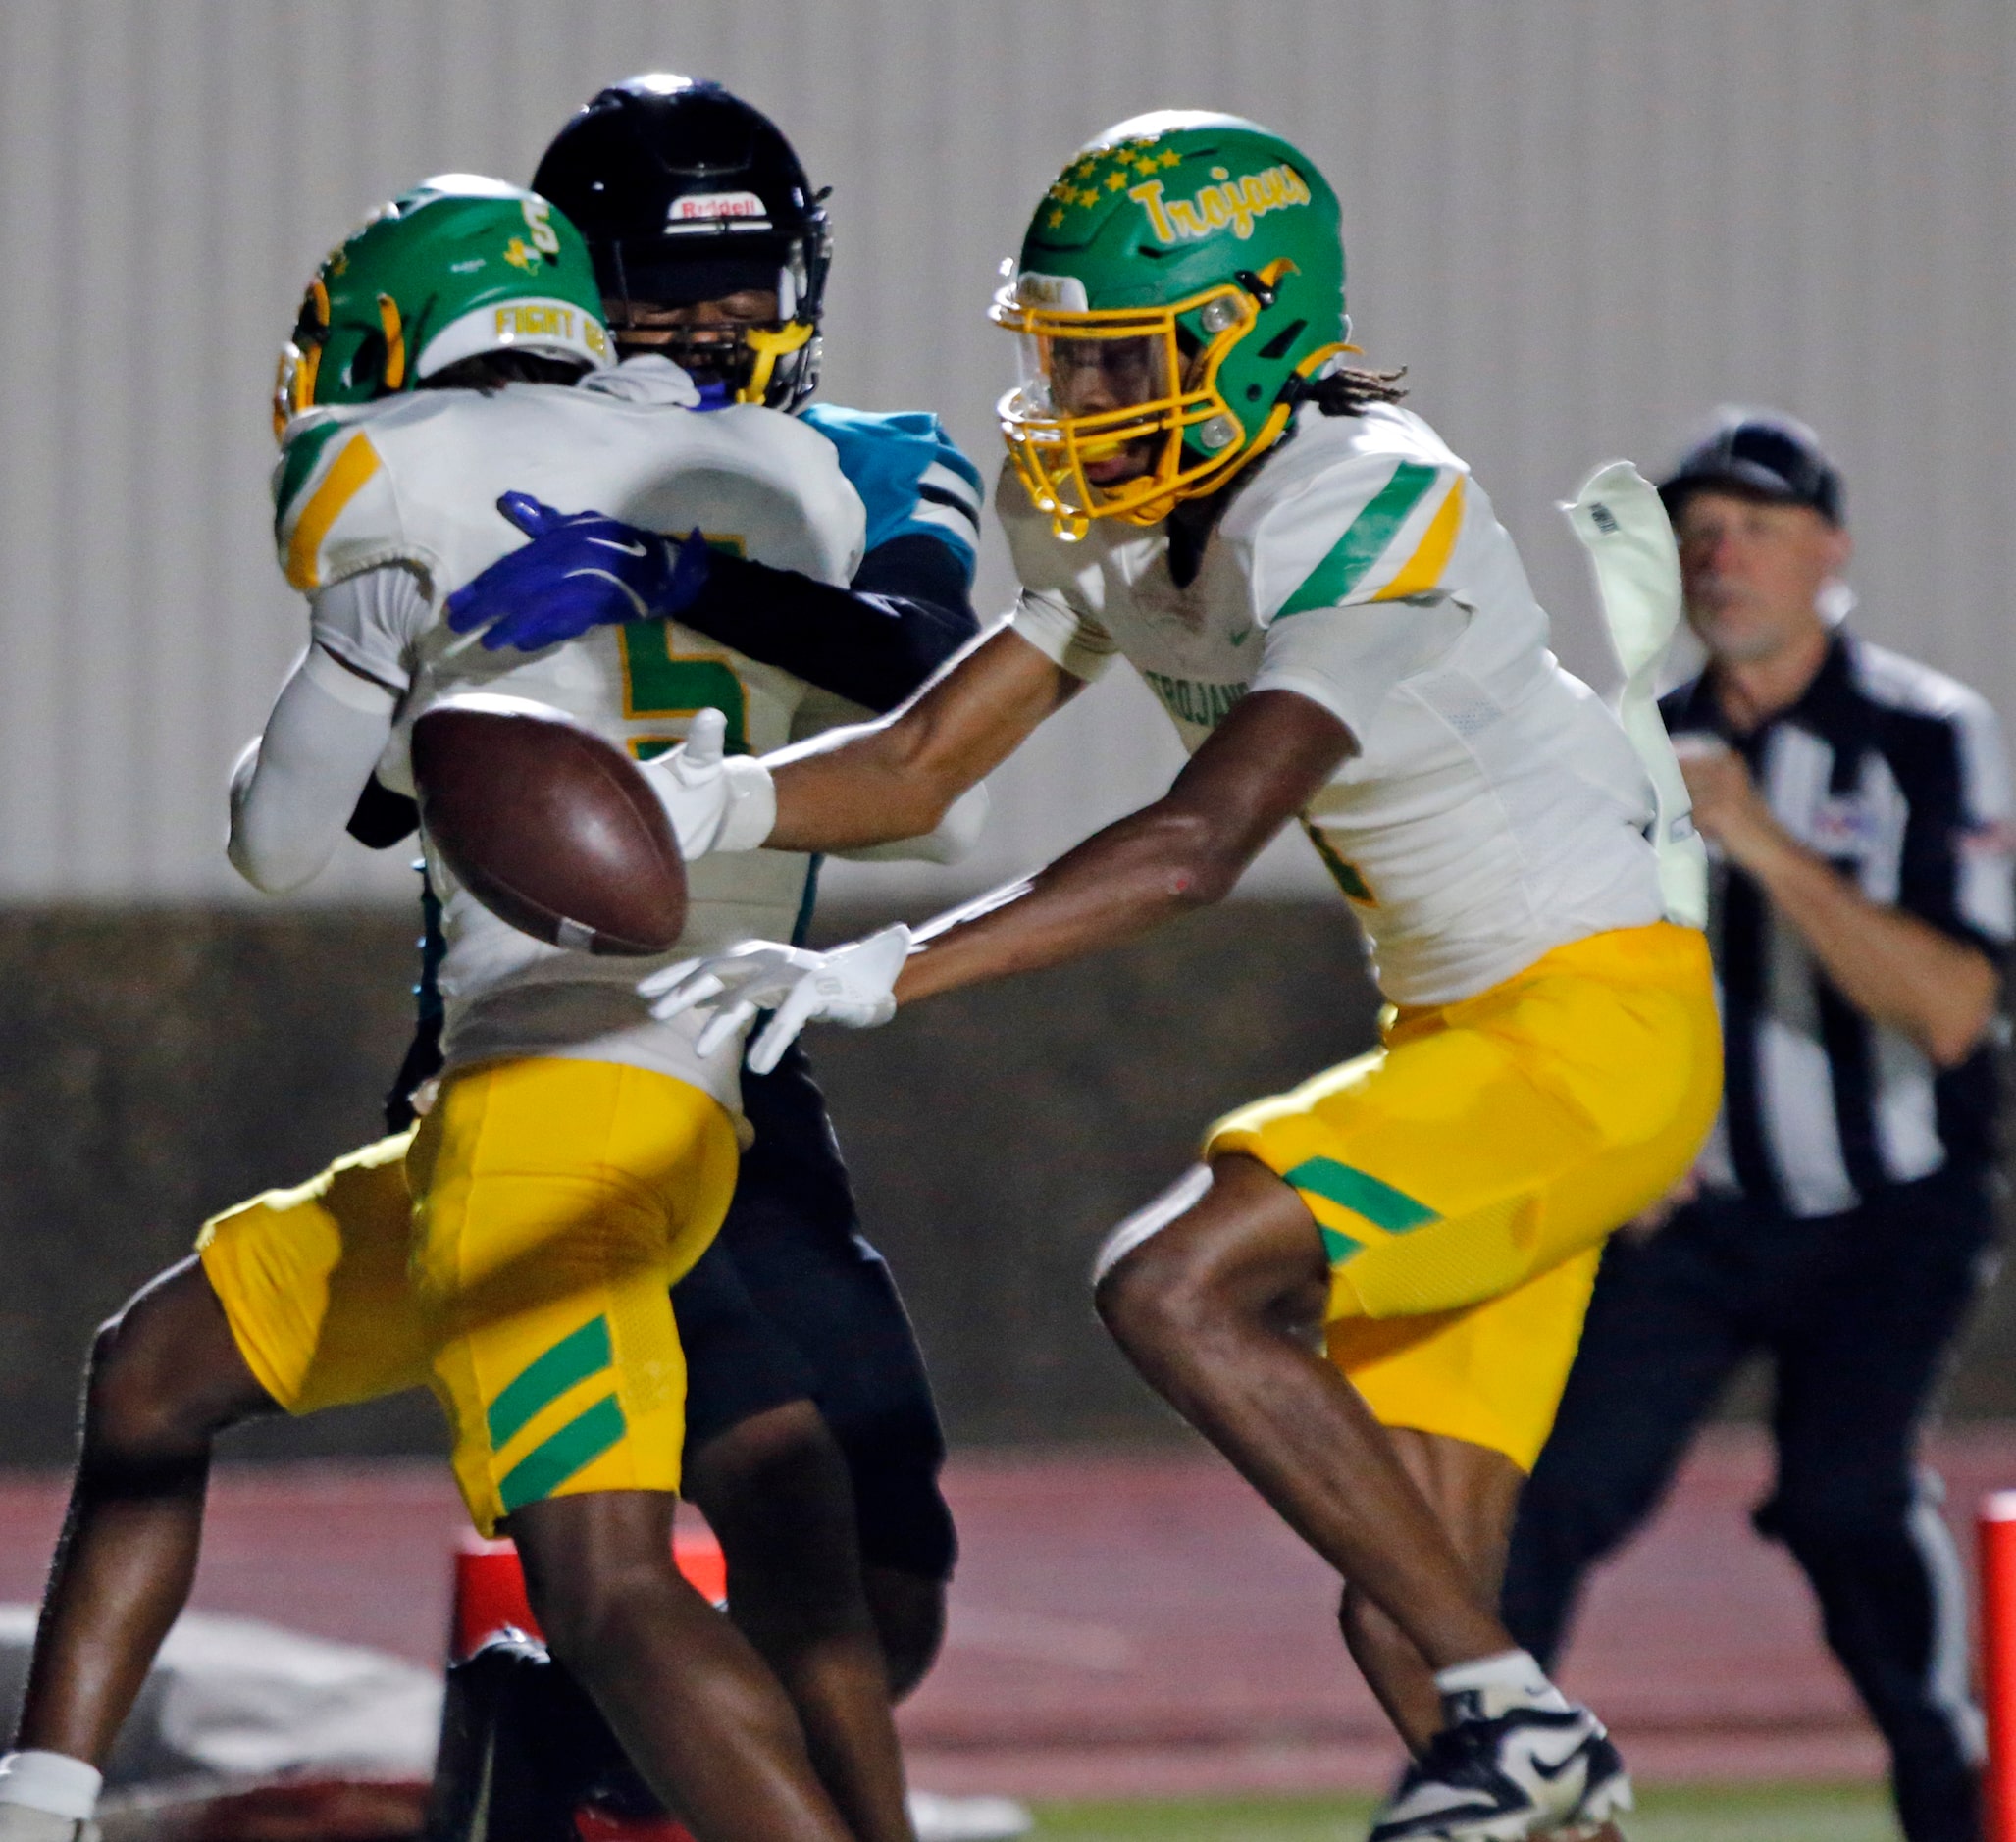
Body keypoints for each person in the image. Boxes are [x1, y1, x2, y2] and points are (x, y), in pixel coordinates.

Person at [452, 111, 1723, 1842]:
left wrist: (891, 965)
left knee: (1176, 1282)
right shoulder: (1127, 514)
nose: (1078, 391)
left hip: (1594, 1022)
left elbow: (1202, 845)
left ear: (1255, 324)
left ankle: (1532, 1733)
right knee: (1409, 1591)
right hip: (1475, 1031)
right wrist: (695, 797)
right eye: (1062, 351)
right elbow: (917, 764)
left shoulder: (1367, 497)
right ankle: (1532, 1753)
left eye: (1117, 350)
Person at [0, 176, 984, 1842]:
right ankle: (39, 1808)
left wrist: (347, 661)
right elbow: (913, 731)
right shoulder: (806, 473)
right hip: (662, 1100)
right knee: (160, 1370)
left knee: (605, 1583)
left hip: (556, 1102)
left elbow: (282, 841)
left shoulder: (396, 471)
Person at [376, 78, 991, 1841]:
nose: (718, 327)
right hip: (543, 1041)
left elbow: (914, 671)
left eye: (744, 281)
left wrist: (663, 570)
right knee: (774, 1502)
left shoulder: (871, 458)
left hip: (746, 1051)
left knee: (895, 1572)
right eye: (664, 286)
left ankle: (564, 1735)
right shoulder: (486, 465)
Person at [1499, 410, 2011, 1842]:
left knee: (1846, 1495)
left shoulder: (1923, 732)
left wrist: (1764, 843)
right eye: (1699, 533)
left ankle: (1948, 1775)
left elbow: (1956, 1006)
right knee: (1542, 1502)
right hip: (1702, 1211)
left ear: (1830, 552)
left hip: (1891, 1206)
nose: (1724, 560)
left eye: (1759, 530)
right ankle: (1489, 1789)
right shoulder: (1630, 746)